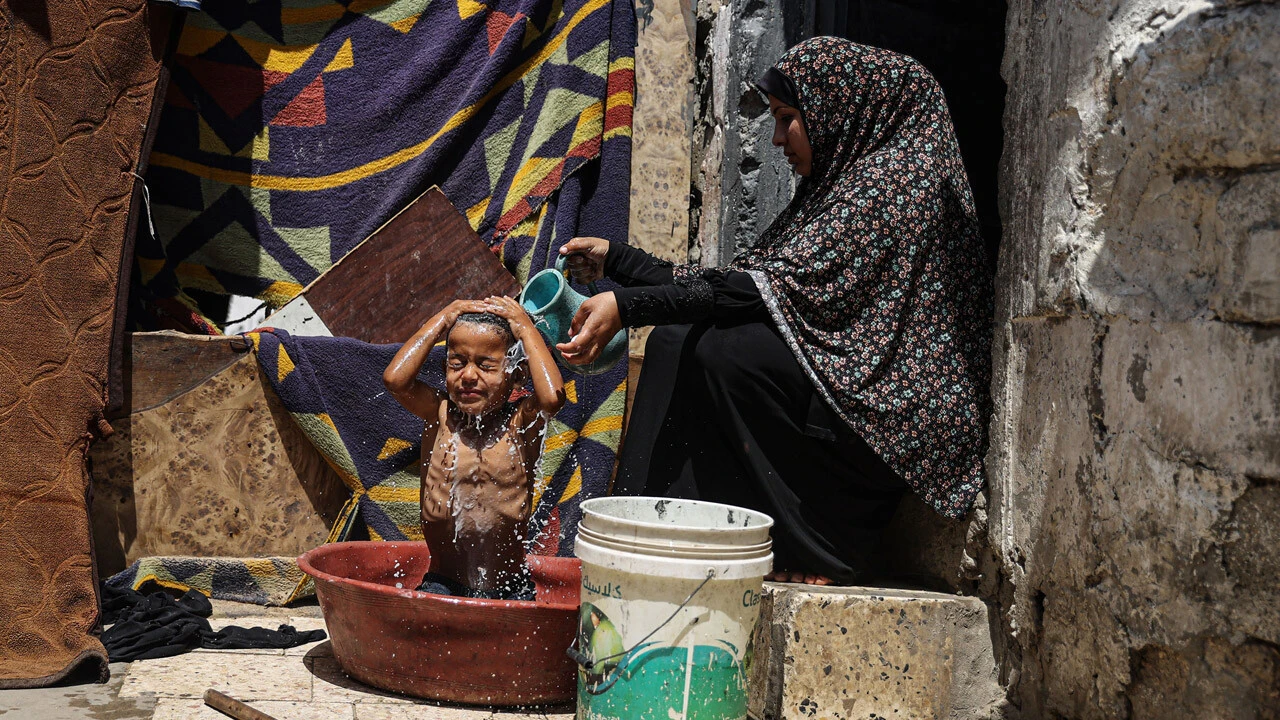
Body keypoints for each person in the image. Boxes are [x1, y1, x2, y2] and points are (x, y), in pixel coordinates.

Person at [552, 38, 993, 586]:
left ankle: (826, 550)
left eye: (789, 119)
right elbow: (740, 284)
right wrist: (620, 262)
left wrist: (626, 305)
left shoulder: (896, 183)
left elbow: (749, 292)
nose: (779, 139)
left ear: (842, 109)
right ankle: (647, 538)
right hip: (837, 395)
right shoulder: (838, 185)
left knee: (725, 351)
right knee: (674, 339)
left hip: (882, 420)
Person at [383, 297, 565, 600]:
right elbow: (395, 379)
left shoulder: (522, 423)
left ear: (515, 374)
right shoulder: (439, 414)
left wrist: (524, 327)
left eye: (485, 365)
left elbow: (552, 398)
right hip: (443, 581)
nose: (468, 375)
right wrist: (442, 319)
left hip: (510, 588)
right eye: (457, 363)